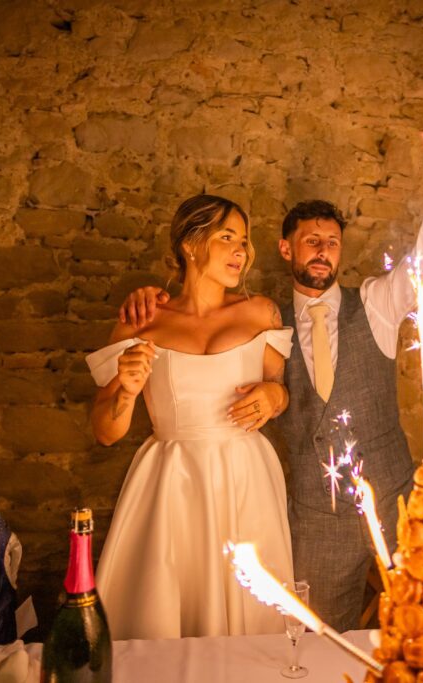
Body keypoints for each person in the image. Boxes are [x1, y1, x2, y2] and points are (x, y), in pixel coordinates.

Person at [119, 122, 423, 631]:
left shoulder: (377, 304)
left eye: (331, 242)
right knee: (315, 643)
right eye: (310, 240)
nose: (322, 250)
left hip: (399, 507)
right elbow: (192, 314)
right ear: (287, 250)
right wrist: (146, 294)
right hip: (313, 519)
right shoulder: (259, 318)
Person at [86, 194, 294, 639]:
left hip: (246, 479)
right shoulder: (141, 320)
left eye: (244, 240)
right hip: (172, 480)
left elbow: (280, 393)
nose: (241, 250)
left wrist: (273, 396)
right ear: (190, 244)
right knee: (167, 608)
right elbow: (105, 431)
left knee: (250, 616)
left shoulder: (261, 312)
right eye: (226, 238)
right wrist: (126, 390)